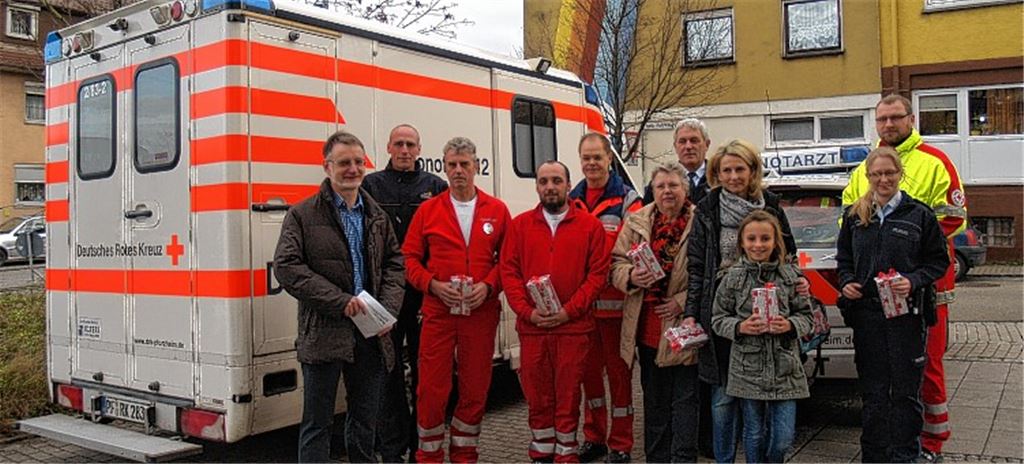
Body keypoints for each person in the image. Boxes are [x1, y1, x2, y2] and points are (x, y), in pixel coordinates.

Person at [842, 94, 966, 462]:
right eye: (882, 119)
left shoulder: (935, 161)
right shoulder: (861, 169)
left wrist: (909, 265)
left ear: (911, 119)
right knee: (877, 384)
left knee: (923, 370)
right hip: (870, 300)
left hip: (920, 290)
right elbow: (846, 225)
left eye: (896, 117)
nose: (889, 125)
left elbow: (952, 216)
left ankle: (930, 445)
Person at [274, 130, 405, 463]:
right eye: (344, 162)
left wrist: (386, 311)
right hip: (324, 333)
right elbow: (287, 267)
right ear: (327, 166)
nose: (353, 169)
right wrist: (339, 301)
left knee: (365, 423)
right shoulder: (302, 215)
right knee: (317, 424)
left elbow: (394, 263)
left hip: (370, 333)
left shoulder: (376, 216)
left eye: (359, 162)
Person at [682, 139, 807, 463]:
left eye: (741, 168)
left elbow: (788, 254)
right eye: (727, 170)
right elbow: (697, 267)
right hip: (723, 311)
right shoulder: (708, 208)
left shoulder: (771, 205)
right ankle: (724, 460)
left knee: (762, 409)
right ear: (717, 174)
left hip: (767, 313)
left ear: (752, 171)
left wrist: (800, 285)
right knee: (722, 402)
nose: (734, 176)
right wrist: (691, 315)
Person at [403, 137, 511, 463]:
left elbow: (508, 262)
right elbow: (408, 259)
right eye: (452, 165)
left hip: (480, 313)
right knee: (431, 391)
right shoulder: (429, 210)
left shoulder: (497, 210)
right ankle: (429, 457)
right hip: (439, 312)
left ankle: (465, 455)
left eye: (465, 164)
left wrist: (490, 287)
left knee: (475, 389)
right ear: (444, 167)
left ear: (476, 166)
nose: (459, 171)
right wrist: (432, 285)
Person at [500, 161, 610, 463]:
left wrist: (569, 311)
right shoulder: (519, 226)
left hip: (573, 328)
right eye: (544, 181)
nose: (550, 187)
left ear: (567, 184)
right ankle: (541, 453)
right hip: (533, 328)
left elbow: (597, 275)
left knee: (568, 395)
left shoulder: (590, 227)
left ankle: (566, 454)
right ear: (536, 186)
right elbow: (508, 272)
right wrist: (526, 312)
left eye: (556, 181)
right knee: (537, 396)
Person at [362, 124, 447, 461]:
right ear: (388, 147)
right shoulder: (371, 185)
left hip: (425, 293)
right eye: (399, 144)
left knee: (425, 378)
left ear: (419, 148)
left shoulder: (435, 187)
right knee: (389, 373)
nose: (405, 150)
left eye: (411, 144)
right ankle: (392, 448)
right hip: (385, 295)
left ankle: (420, 447)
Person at [609, 163, 699, 462]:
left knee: (685, 406)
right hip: (647, 330)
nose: (667, 191)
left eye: (673, 185)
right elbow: (616, 264)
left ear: (685, 190)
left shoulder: (700, 223)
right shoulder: (637, 221)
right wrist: (632, 276)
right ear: (652, 190)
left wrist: (683, 301)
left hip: (683, 330)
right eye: (660, 186)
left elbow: (713, 274)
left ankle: (683, 459)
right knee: (655, 406)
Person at [711, 210, 814, 464]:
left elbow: (807, 317)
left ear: (775, 241)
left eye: (765, 239)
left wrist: (790, 325)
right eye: (752, 239)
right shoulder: (732, 278)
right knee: (754, 433)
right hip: (748, 366)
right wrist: (740, 327)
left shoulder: (790, 277)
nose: (758, 245)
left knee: (783, 437)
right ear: (742, 243)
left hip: (785, 368)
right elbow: (717, 318)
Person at [568, 133, 642, 463]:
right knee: (589, 379)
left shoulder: (627, 200)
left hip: (616, 311)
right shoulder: (573, 200)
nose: (592, 164)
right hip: (583, 311)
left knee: (620, 380)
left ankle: (621, 443)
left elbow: (635, 249)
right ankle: (594, 437)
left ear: (610, 159)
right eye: (586, 158)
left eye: (597, 157)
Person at [643, 118, 712, 206]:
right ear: (675, 146)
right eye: (682, 141)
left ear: (707, 144)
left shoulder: (719, 178)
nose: (688, 146)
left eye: (694, 141)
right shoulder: (660, 182)